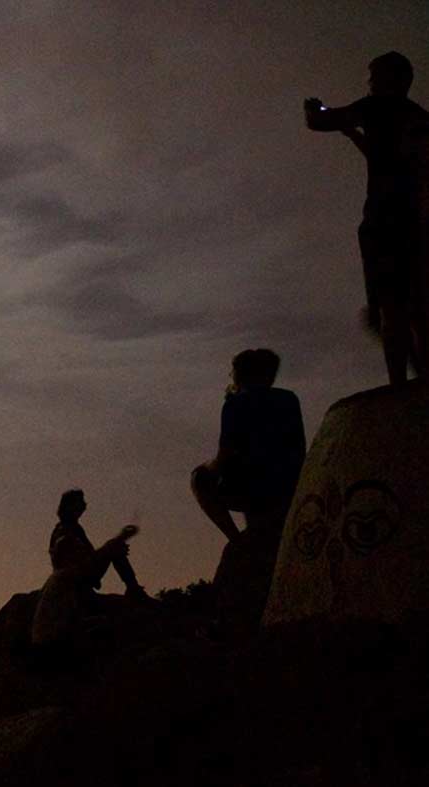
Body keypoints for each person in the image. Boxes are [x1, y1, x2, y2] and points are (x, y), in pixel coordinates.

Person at [304, 51, 429, 385]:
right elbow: (386, 158)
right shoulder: (418, 118)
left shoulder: (375, 107)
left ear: (393, 79)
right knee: (416, 304)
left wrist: (314, 109)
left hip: (386, 217)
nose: (370, 83)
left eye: (375, 76)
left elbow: (319, 121)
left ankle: (399, 384)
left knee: (391, 307)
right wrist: (353, 134)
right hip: (415, 220)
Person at [191, 349, 305, 636]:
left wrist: (210, 470)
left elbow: (225, 454)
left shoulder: (236, 404)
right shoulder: (289, 399)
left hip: (252, 484)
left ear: (240, 373)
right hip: (288, 482)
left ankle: (237, 540)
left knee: (199, 478)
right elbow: (299, 447)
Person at [31, 489, 145, 653]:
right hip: (75, 576)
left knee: (114, 547)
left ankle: (133, 588)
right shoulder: (64, 533)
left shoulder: (74, 528)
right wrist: (117, 541)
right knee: (114, 546)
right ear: (70, 506)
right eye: (80, 502)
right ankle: (133, 589)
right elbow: (80, 558)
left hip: (80, 573)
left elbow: (89, 557)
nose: (84, 506)